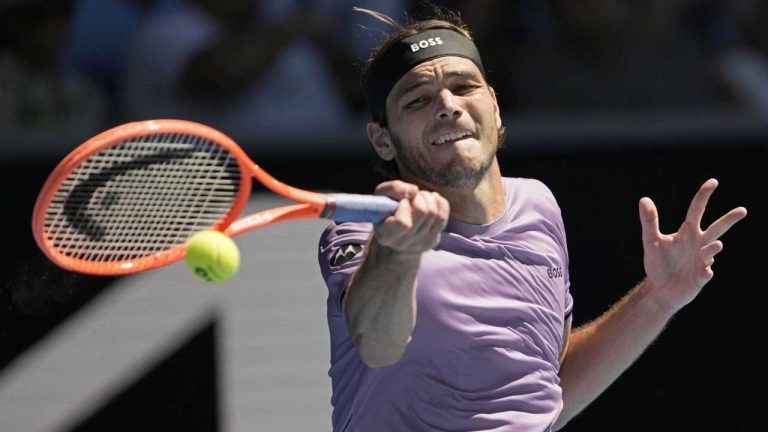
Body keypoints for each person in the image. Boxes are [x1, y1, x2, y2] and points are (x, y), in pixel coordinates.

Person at [317, 6, 748, 431]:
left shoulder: (538, 204)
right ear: (383, 140)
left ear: (496, 107)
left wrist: (658, 298)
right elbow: (375, 344)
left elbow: (547, 392)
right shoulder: (366, 233)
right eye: (418, 100)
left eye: (464, 86)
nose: (448, 105)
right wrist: (397, 251)